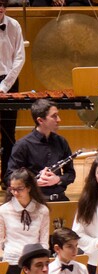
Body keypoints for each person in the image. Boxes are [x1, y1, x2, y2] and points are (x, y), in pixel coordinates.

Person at [7, 99, 76, 201]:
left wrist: (58, 179)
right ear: (40, 120)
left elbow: (71, 174)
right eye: (54, 116)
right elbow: (9, 177)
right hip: (34, 201)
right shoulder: (23, 145)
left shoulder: (61, 142)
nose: (59, 119)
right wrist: (33, 182)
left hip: (59, 199)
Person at [0, 168, 48, 274]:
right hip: (12, 262)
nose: (15, 193)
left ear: (29, 188)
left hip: (34, 263)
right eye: (12, 189)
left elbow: (44, 242)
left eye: (19, 189)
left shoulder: (42, 210)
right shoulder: (4, 210)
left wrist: (41, 262)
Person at [0, 0, 25, 179]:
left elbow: (19, 58)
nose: (0, 8)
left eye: (2, 4)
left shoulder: (14, 25)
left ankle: (7, 176)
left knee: (9, 131)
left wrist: (4, 86)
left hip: (9, 80)